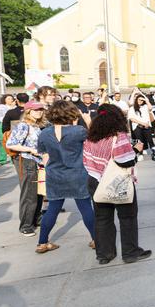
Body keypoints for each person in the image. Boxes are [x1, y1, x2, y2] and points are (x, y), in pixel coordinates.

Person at [83, 105, 151, 265]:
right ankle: (130, 253)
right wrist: (136, 150)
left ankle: (104, 255)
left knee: (102, 218)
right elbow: (125, 161)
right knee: (127, 217)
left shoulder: (90, 137)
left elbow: (86, 160)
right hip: (117, 182)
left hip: (95, 181)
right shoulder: (119, 137)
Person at [35, 100, 96, 254]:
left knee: (52, 209)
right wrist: (89, 122)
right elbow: (95, 141)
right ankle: (96, 239)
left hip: (55, 174)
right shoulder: (79, 131)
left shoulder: (44, 133)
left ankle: (42, 242)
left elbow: (44, 155)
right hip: (77, 174)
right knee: (85, 208)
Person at [5, 101, 47, 236]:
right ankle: (26, 225)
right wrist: (30, 150)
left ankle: (36, 219)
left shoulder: (36, 125)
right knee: (29, 195)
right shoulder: (23, 125)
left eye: (40, 109)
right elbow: (11, 144)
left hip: (37, 162)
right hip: (27, 161)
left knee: (38, 193)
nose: (39, 112)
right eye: (35, 110)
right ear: (28, 111)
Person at [127, 94, 155, 160]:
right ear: (136, 100)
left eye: (142, 100)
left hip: (146, 126)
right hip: (137, 127)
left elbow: (150, 108)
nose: (140, 101)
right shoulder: (132, 108)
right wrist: (142, 123)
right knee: (140, 141)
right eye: (139, 100)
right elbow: (132, 119)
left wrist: (146, 100)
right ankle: (140, 154)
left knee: (150, 141)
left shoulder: (145, 106)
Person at [0, 94, 16, 165]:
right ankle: (2, 160)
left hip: (12, 125)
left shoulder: (14, 106)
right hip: (2, 125)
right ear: (4, 100)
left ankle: (13, 158)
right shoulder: (1, 106)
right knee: (4, 142)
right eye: (8, 99)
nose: (11, 100)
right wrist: (12, 107)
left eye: (11, 98)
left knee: (13, 142)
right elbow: (5, 115)